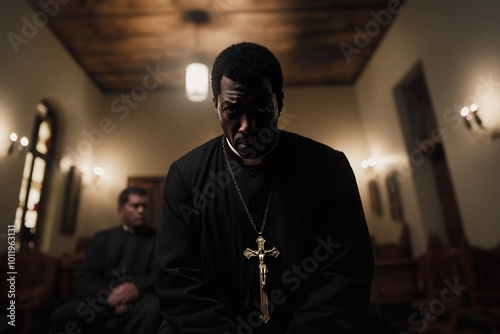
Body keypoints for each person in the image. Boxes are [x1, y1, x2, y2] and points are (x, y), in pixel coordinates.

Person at [154, 42, 374, 334]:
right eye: (232, 109)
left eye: (261, 108)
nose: (247, 125)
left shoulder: (328, 168)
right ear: (215, 105)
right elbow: (177, 278)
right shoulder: (185, 175)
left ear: (279, 102)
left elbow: (346, 271)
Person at [48, 186, 161, 333]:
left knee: (154, 310)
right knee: (61, 316)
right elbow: (86, 274)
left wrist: (136, 288)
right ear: (121, 210)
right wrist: (111, 296)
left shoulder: (157, 238)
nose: (141, 210)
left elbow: (160, 273)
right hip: (102, 301)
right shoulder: (102, 238)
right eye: (135, 205)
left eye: (144, 206)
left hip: (140, 302)